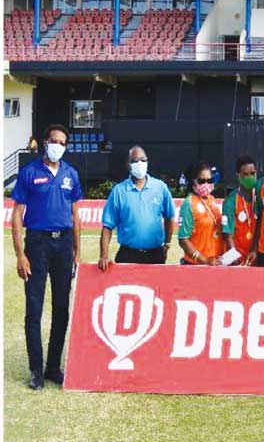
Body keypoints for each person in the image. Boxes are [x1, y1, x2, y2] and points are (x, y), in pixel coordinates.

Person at [11, 124, 82, 390]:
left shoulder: (70, 174)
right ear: (44, 142)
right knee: (34, 309)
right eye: (54, 141)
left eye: (62, 143)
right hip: (37, 244)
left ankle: (53, 367)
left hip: (63, 244)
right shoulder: (29, 172)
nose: (58, 146)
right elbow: (17, 215)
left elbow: (75, 214)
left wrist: (77, 250)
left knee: (61, 308)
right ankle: (36, 370)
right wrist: (20, 254)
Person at [99, 146, 176, 268]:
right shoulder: (119, 191)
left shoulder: (160, 188)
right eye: (135, 161)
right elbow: (107, 226)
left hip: (155, 255)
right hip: (128, 255)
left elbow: (169, 217)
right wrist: (104, 256)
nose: (140, 164)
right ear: (128, 165)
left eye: (143, 160)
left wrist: (167, 244)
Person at [178, 161, 222, 265]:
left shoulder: (212, 200)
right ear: (193, 181)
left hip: (215, 263)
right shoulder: (188, 204)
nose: (206, 184)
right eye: (202, 181)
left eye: (210, 180)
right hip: (196, 266)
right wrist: (204, 260)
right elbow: (183, 240)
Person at [222, 155, 257, 265]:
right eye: (245, 174)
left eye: (252, 173)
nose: (250, 177)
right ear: (238, 176)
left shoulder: (260, 197)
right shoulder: (230, 201)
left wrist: (255, 250)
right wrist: (234, 257)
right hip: (237, 259)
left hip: (256, 256)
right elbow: (228, 234)